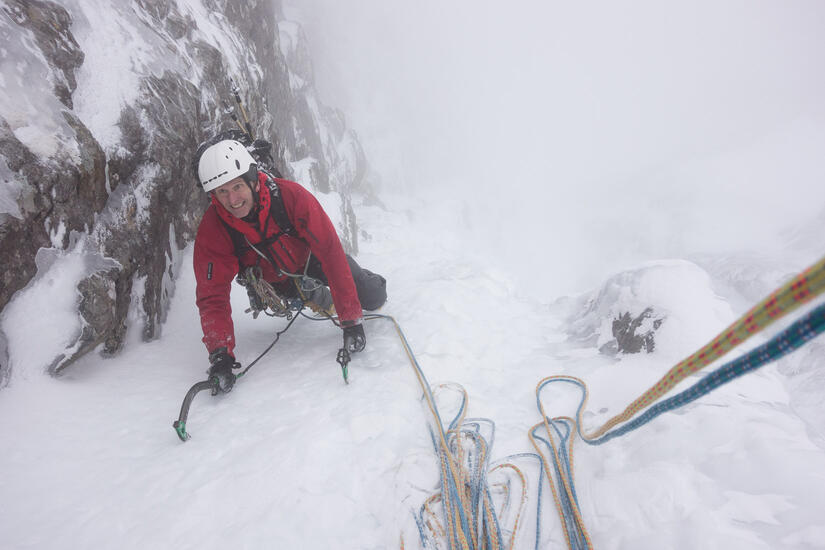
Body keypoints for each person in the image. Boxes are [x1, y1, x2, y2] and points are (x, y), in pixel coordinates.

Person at [193, 139, 387, 392]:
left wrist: (351, 321)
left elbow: (330, 254)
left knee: (373, 296)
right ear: (213, 195)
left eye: (237, 186)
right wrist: (220, 355)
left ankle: (356, 284)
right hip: (273, 280)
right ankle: (314, 295)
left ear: (252, 180)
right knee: (305, 296)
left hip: (312, 260)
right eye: (222, 192)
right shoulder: (214, 228)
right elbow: (212, 296)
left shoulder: (291, 197)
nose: (232, 199)